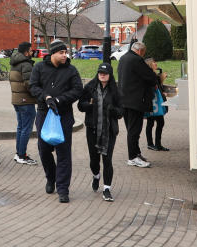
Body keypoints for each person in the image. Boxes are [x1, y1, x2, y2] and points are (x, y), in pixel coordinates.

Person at [29, 40, 82, 203]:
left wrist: (59, 100)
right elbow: (32, 86)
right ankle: (51, 178)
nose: (65, 55)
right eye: (61, 53)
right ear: (53, 53)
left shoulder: (71, 70)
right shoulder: (39, 67)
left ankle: (63, 189)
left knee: (63, 152)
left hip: (64, 115)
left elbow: (77, 90)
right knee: (44, 150)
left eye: (66, 52)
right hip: (44, 114)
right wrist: (46, 97)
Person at [78, 62, 123, 202]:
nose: (102, 75)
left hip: (109, 131)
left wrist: (112, 110)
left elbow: (121, 112)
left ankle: (107, 189)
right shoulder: (89, 88)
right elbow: (80, 106)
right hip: (92, 129)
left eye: (105, 73)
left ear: (110, 75)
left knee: (107, 159)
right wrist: (90, 105)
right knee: (94, 160)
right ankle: (96, 175)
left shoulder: (115, 91)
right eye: (100, 73)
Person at [117, 39, 158, 168]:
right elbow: (151, 77)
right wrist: (154, 74)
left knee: (131, 129)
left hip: (124, 100)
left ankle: (136, 153)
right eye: (143, 53)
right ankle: (133, 157)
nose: (143, 55)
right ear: (140, 51)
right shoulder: (136, 60)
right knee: (134, 131)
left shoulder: (123, 58)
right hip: (135, 101)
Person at [9, 41, 38, 166]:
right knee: (26, 128)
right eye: (31, 50)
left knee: (21, 127)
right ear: (26, 52)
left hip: (17, 100)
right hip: (26, 101)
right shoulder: (26, 64)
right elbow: (29, 84)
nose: (32, 52)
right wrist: (38, 95)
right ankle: (22, 155)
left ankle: (19, 153)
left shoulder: (14, 63)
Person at [145, 58, 169, 152]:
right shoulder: (149, 76)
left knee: (158, 122)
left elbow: (158, 86)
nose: (156, 64)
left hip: (156, 102)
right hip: (153, 103)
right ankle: (151, 144)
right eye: (154, 62)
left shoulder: (154, 75)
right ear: (150, 65)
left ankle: (157, 144)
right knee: (151, 123)